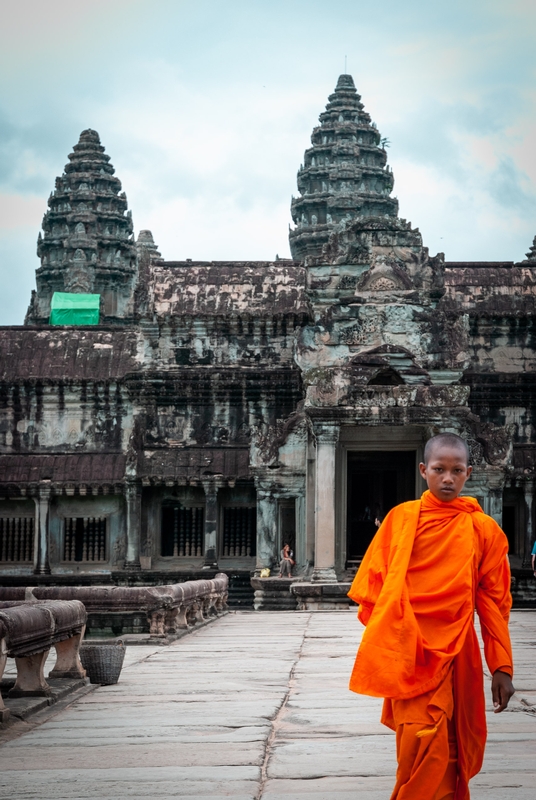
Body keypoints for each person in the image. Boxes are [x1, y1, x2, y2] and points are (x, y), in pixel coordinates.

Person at [348, 433, 514, 800]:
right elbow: (373, 593)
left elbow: (494, 601)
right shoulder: (400, 520)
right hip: (410, 653)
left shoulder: (483, 530)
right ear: (424, 471)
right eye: (439, 470)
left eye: (457, 471)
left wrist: (501, 666)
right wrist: (397, 634)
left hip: (458, 655)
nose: (448, 479)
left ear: (469, 473)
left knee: (451, 748)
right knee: (417, 746)